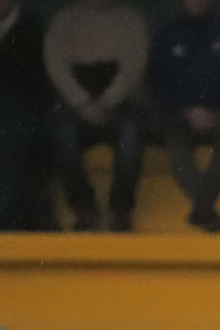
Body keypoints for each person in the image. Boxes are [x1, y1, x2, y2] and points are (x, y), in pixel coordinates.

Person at [146, 0, 220, 233]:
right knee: (175, 147)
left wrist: (218, 113)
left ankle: (202, 207)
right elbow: (155, 84)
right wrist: (186, 112)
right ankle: (205, 208)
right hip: (179, 117)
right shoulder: (168, 34)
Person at [44, 0, 147, 232]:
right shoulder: (64, 20)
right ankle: (84, 209)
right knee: (62, 134)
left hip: (119, 101)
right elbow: (56, 65)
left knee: (131, 134)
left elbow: (133, 67)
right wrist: (81, 102)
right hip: (75, 102)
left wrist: (108, 101)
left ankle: (121, 209)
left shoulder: (131, 20)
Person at [0, 0, 57, 231]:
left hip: (24, 117)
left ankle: (9, 220)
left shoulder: (35, 31)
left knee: (13, 141)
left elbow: (39, 88)